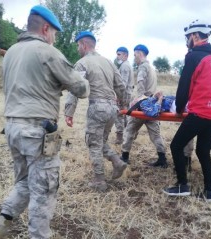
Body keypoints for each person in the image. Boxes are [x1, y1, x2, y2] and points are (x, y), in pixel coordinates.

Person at [0, 5, 90, 239]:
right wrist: (79, 76)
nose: (55, 38)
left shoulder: (11, 52)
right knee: (44, 188)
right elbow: (80, 88)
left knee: (23, 182)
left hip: (12, 126)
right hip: (37, 130)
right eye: (54, 33)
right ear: (46, 29)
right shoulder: (47, 51)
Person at [163, 19, 211, 203]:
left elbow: (184, 86)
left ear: (195, 36)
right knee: (203, 151)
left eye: (188, 37)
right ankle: (210, 193)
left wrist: (179, 108)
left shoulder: (192, 56)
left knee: (176, 146)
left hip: (200, 112)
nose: (188, 40)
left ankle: (182, 185)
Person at [63, 31, 129, 191]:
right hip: (112, 109)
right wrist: (123, 106)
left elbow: (75, 88)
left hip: (97, 108)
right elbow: (121, 86)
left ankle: (99, 180)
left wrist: (69, 112)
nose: (78, 48)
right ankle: (117, 162)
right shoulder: (109, 62)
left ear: (84, 45)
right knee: (100, 141)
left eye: (78, 45)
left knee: (93, 142)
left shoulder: (82, 63)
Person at [120, 44, 168, 168]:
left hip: (143, 106)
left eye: (135, 54)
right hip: (152, 105)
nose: (134, 57)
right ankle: (162, 159)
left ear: (140, 54)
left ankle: (124, 157)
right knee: (155, 135)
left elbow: (140, 84)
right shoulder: (152, 68)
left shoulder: (143, 67)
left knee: (129, 130)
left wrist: (138, 101)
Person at [112, 46, 133, 145]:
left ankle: (120, 137)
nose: (117, 57)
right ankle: (128, 135)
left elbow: (122, 84)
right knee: (126, 114)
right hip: (127, 94)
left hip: (123, 94)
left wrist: (118, 96)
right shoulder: (127, 65)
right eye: (117, 54)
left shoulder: (124, 66)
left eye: (119, 54)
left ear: (125, 55)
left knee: (119, 115)